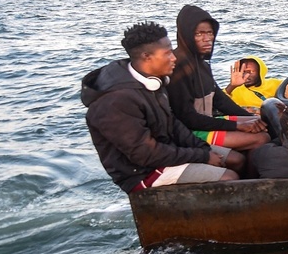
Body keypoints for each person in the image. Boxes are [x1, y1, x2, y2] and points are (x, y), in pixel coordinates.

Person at [82, 21, 239, 193]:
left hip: (166, 151)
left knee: (237, 159)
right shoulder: (115, 101)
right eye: (168, 53)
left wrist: (202, 149)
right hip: (142, 173)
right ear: (146, 56)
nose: (174, 58)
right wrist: (203, 156)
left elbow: (173, 124)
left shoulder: (153, 82)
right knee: (229, 178)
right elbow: (145, 154)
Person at [167, 5, 269, 151]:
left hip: (205, 122)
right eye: (199, 34)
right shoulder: (177, 67)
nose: (207, 39)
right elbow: (187, 117)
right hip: (189, 131)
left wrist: (249, 118)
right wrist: (237, 126)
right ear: (186, 35)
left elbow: (220, 100)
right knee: (261, 139)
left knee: (263, 124)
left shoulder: (202, 64)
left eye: (210, 33)